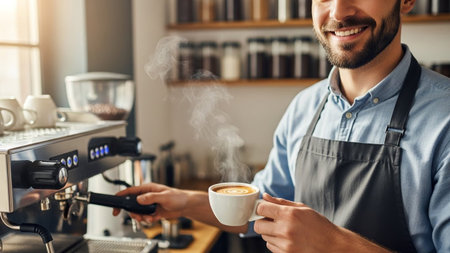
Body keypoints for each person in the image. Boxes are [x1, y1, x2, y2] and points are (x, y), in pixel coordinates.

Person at [114, 0, 450, 252]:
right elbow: (258, 208)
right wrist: (184, 202)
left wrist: (331, 244)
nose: (338, 12)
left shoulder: (444, 118)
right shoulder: (305, 107)